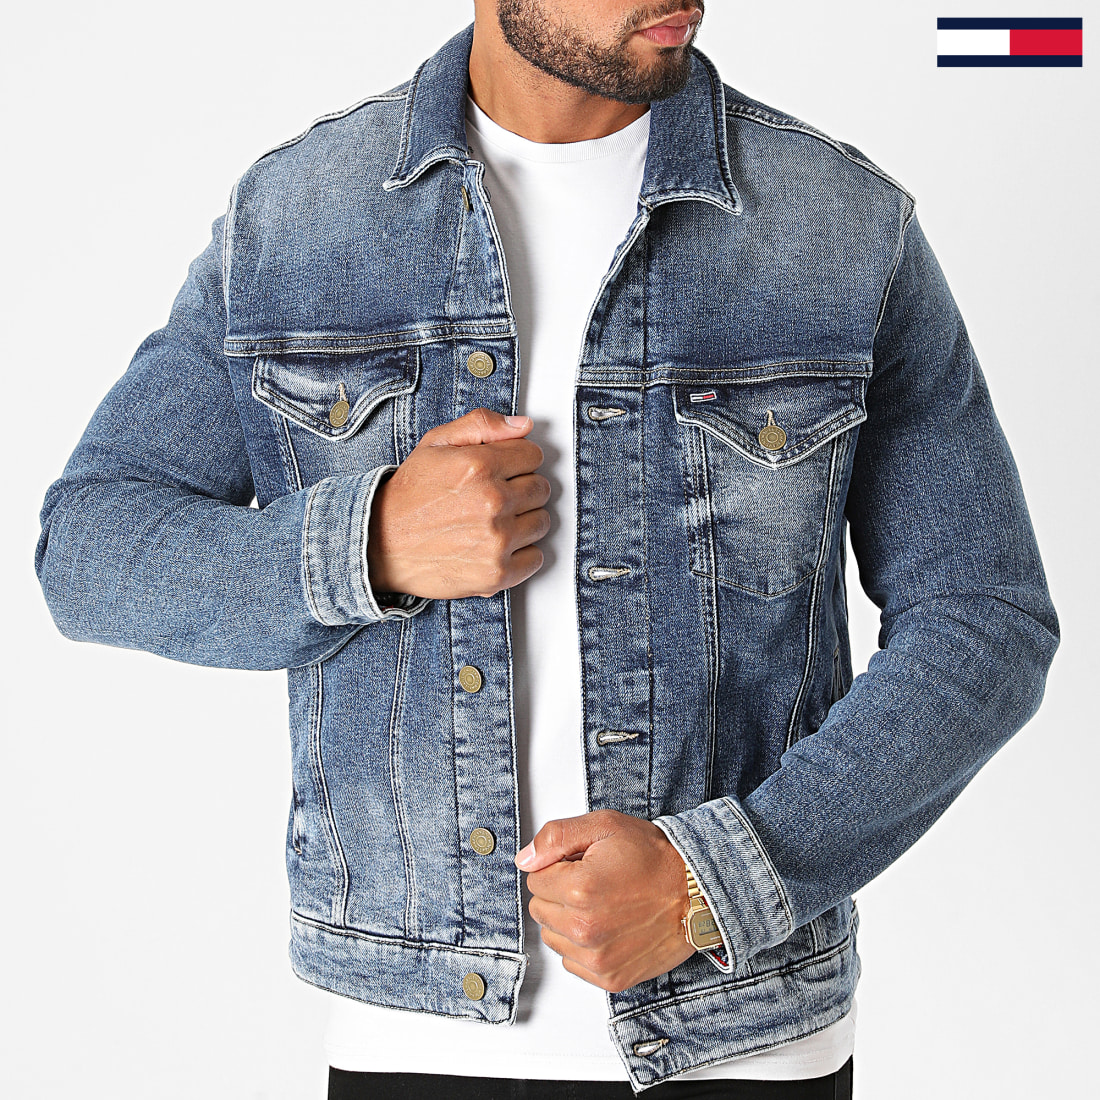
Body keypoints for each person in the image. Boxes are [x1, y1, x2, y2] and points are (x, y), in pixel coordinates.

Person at [36, 1, 1058, 1096]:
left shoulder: (840, 225)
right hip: (412, 1038)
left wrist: (713, 879)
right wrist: (369, 541)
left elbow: (985, 618)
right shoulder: (298, 218)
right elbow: (89, 547)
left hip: (746, 1036)